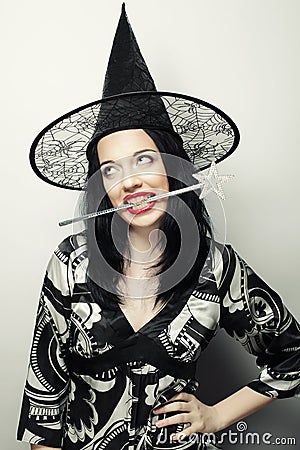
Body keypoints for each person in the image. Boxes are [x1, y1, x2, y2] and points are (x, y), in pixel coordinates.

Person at [17, 5, 300, 450]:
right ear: (101, 187)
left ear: (173, 170)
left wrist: (217, 414)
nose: (129, 180)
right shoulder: (71, 263)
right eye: (110, 169)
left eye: (144, 159)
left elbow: (292, 357)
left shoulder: (218, 266)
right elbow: (45, 389)